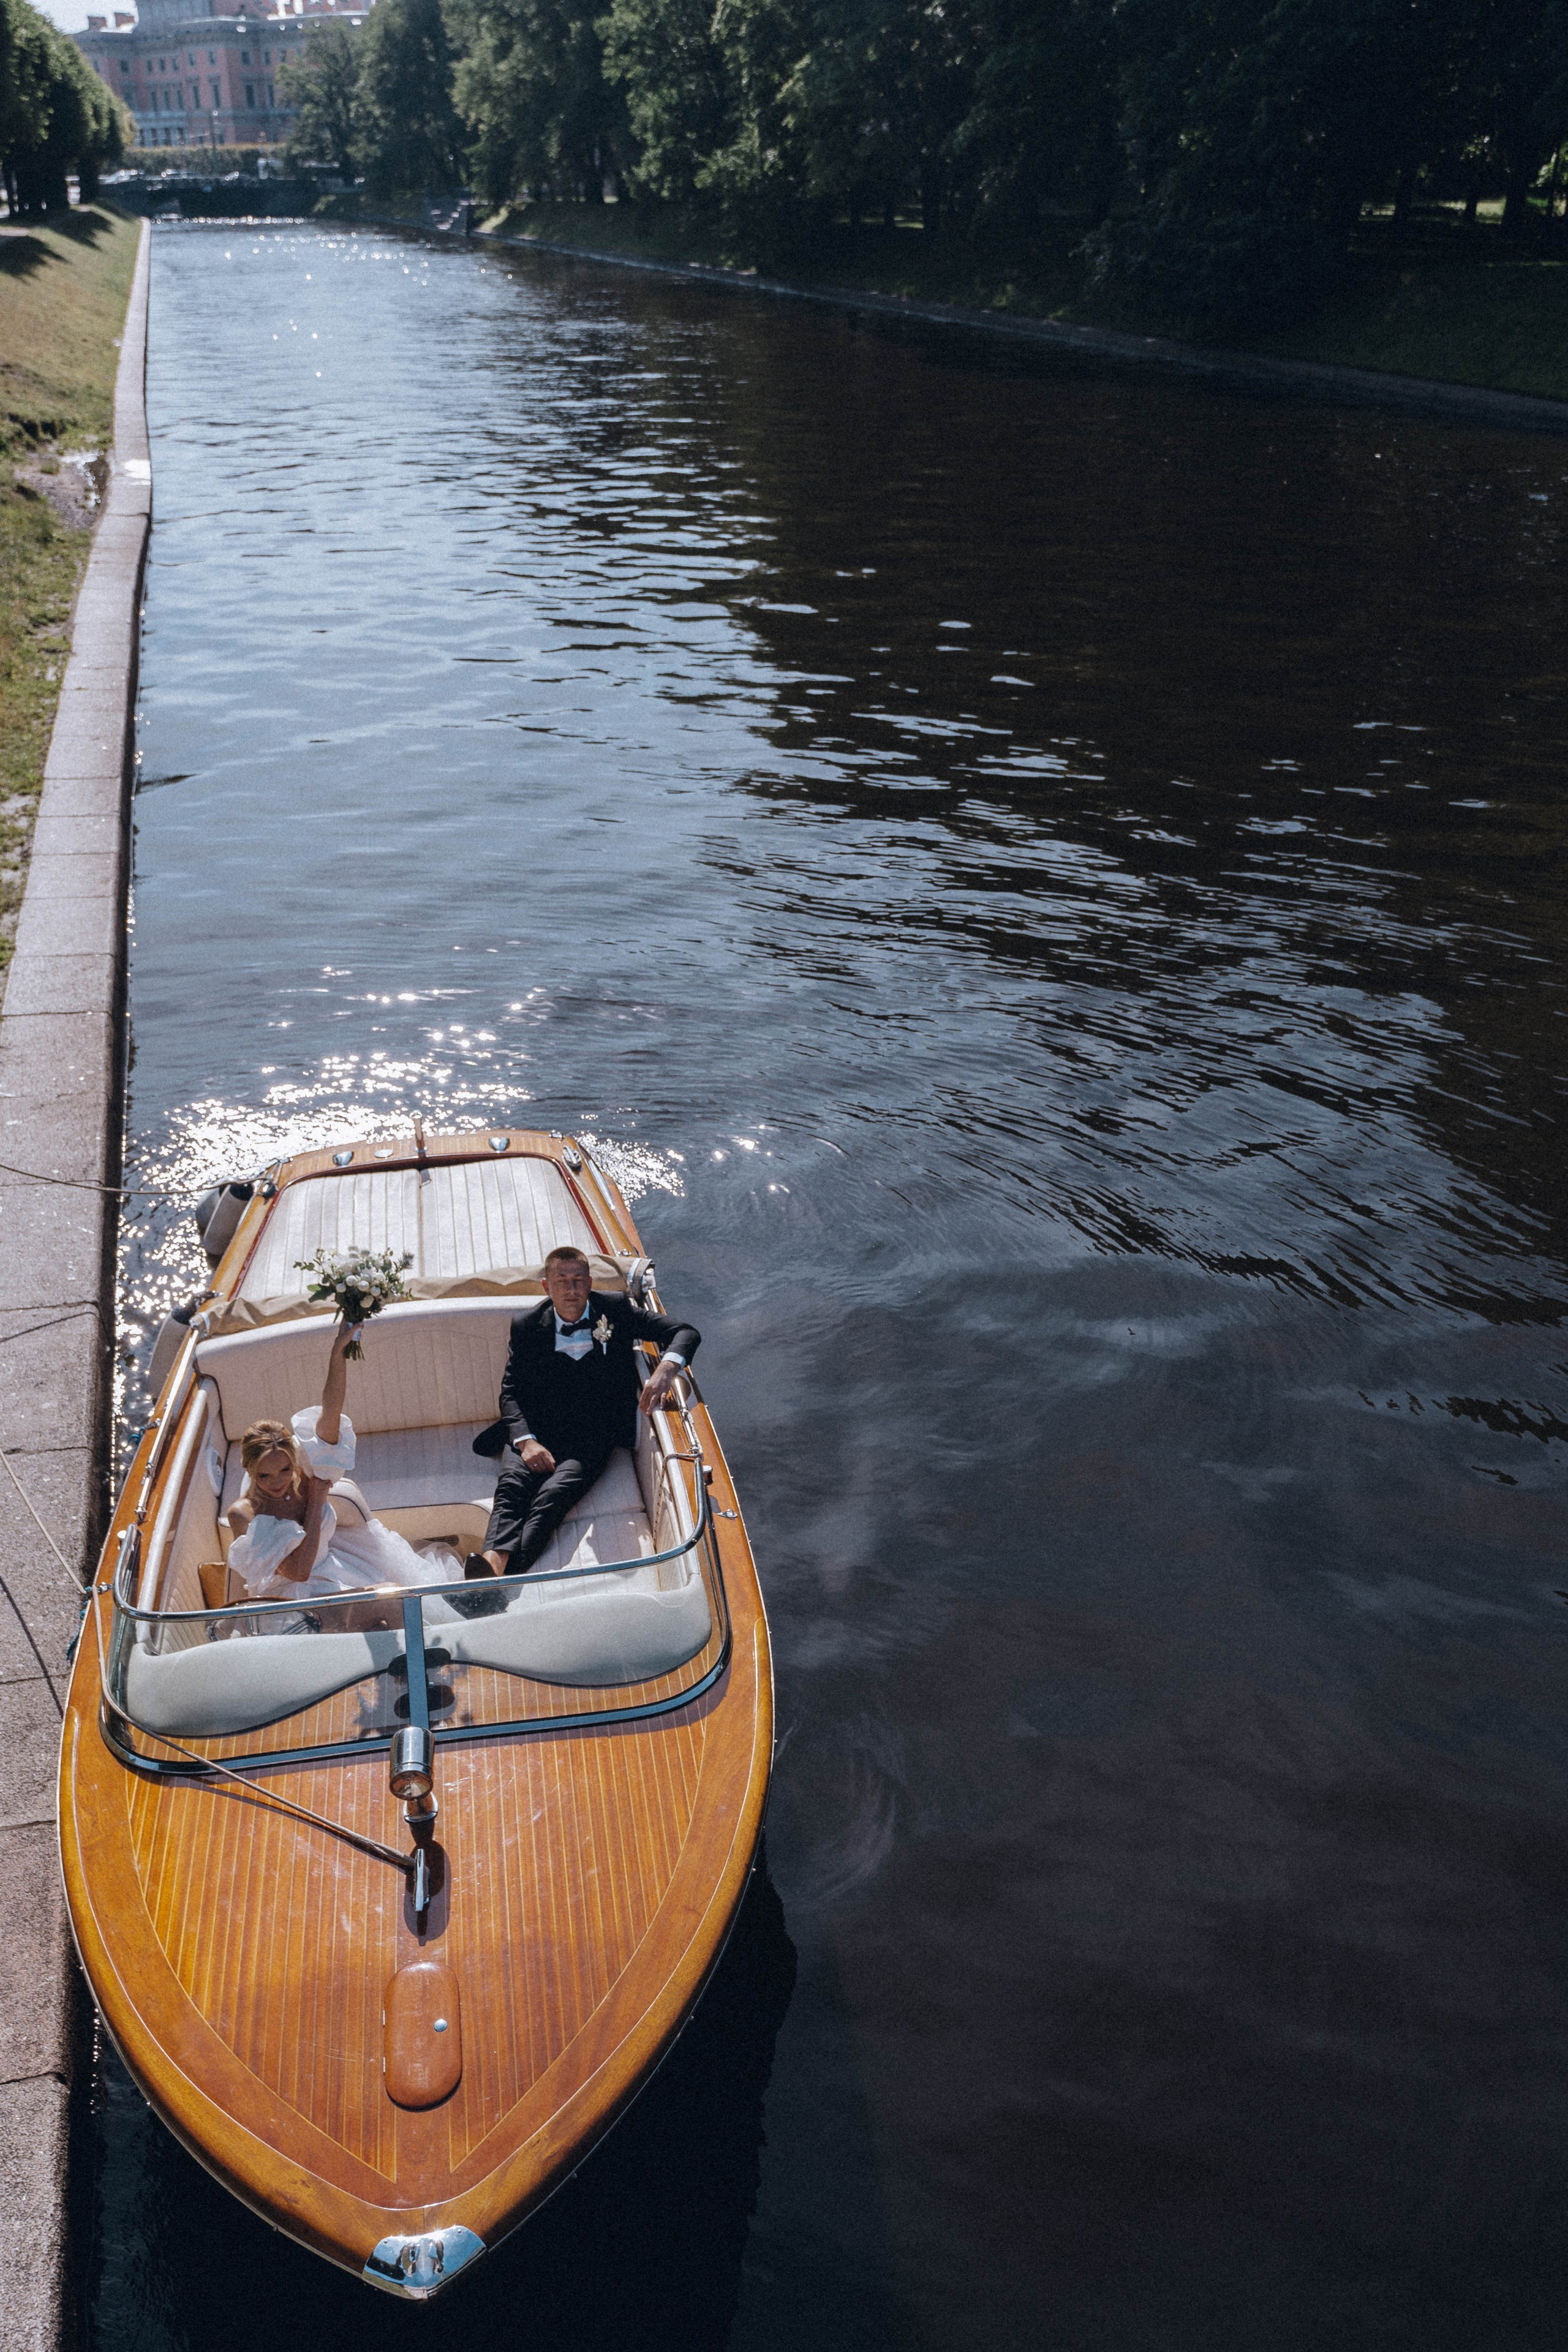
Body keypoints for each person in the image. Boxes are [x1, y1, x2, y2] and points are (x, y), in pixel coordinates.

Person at [466, 1243, 700, 1585]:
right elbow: (512, 1391)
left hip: (592, 1434)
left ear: (590, 1283)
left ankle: (495, 1582)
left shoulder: (616, 1310)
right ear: (547, 1286)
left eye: (578, 1280)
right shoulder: (528, 1324)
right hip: (537, 1427)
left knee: (553, 1498)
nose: (571, 1289)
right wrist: (527, 1442)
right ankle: (489, 1568)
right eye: (562, 1281)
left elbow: (685, 1332)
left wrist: (666, 1369)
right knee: (512, 1489)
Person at [226, 1318, 449, 1616]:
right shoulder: (245, 1513)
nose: (277, 1482)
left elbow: (332, 1411)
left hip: (335, 1573)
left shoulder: (305, 1475)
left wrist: (339, 1350)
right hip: (292, 1601)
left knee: (404, 1600)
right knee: (392, 1603)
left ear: (294, 1462)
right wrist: (316, 1503)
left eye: (284, 1470)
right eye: (264, 1475)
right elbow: (299, 1571)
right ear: (248, 1469)